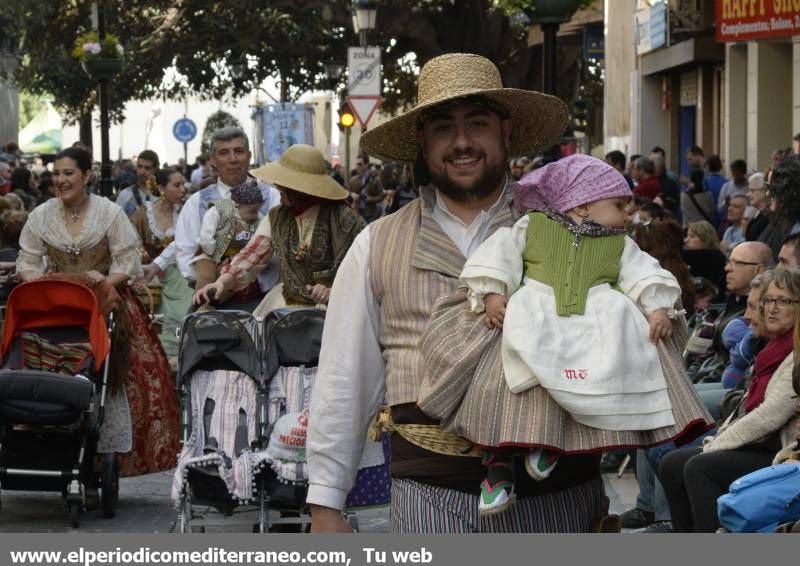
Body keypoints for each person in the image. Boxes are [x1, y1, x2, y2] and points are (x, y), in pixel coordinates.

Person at [307, 53, 613, 533]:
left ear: (506, 132)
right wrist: (326, 503)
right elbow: (344, 379)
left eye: (478, 123)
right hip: (432, 496)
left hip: (561, 495)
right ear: (422, 141)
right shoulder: (376, 245)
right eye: (445, 127)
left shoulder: (570, 231)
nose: (463, 142)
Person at [427, 155, 708, 515]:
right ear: (585, 203)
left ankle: (553, 442)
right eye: (619, 205)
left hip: (592, 328)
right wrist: (495, 292)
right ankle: (498, 467)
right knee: (507, 388)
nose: (627, 215)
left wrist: (656, 307)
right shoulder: (534, 225)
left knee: (585, 382)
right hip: (537, 316)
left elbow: (643, 274)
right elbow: (501, 253)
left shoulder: (620, 244)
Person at [15, 146, 180, 477]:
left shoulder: (108, 212)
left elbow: (128, 259)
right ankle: (43, 437)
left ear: (86, 176)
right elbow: (27, 260)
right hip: (57, 307)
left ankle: (102, 454)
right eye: (57, 174)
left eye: (68, 173)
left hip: (106, 304)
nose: (61, 181)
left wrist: (105, 281)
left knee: (112, 377)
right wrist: (49, 285)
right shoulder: (42, 214)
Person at [659, 267, 800, 532]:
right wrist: (719, 440)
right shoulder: (771, 347)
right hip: (759, 443)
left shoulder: (795, 353)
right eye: (768, 301)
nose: (772, 309)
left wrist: (716, 446)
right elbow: (746, 407)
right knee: (671, 464)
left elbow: (768, 416)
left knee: (700, 467)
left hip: (781, 451)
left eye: (784, 301)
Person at [193, 144, 365, 313]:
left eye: (284, 189)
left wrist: (332, 289)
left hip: (337, 309)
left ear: (300, 189)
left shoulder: (346, 220)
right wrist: (221, 282)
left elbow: (360, 269)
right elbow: (252, 254)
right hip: (287, 307)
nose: (279, 190)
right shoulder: (277, 217)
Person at [174, 127, 281, 288]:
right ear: (213, 160)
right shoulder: (197, 203)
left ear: (249, 156)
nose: (233, 159)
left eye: (239, 151)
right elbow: (185, 254)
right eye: (224, 153)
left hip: (263, 295)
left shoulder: (273, 197)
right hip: (213, 299)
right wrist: (212, 275)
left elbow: (282, 250)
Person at [130, 167, 193, 361]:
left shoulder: (185, 212)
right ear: (161, 187)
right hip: (151, 275)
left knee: (184, 305)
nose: (183, 189)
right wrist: (140, 253)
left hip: (179, 275)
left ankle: (179, 352)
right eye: (177, 185)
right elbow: (131, 241)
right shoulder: (143, 214)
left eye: (184, 184)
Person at [191, 179, 266, 311]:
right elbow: (206, 234)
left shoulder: (257, 219)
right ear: (236, 205)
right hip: (209, 253)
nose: (255, 215)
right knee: (206, 276)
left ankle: (213, 305)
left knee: (233, 280)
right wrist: (211, 251)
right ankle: (199, 306)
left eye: (257, 210)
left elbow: (259, 238)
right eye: (252, 211)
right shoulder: (219, 210)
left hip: (235, 257)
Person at [682, 220, 727, 302]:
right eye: (687, 236)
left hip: (714, 306)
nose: (686, 240)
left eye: (692, 236)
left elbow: (680, 255)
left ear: (706, 239)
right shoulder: (698, 259)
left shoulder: (714, 255)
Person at [115, 150, 161, 217]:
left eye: (147, 168)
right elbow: (116, 221)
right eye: (139, 166)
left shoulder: (162, 196)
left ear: (155, 169)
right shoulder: (125, 194)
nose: (142, 172)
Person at [348, 153, 384, 224]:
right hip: (357, 212)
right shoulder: (353, 180)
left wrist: (371, 199)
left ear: (366, 164)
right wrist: (352, 195)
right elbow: (347, 194)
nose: (357, 166)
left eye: (360, 164)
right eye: (357, 164)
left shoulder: (375, 179)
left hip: (371, 213)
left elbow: (381, 197)